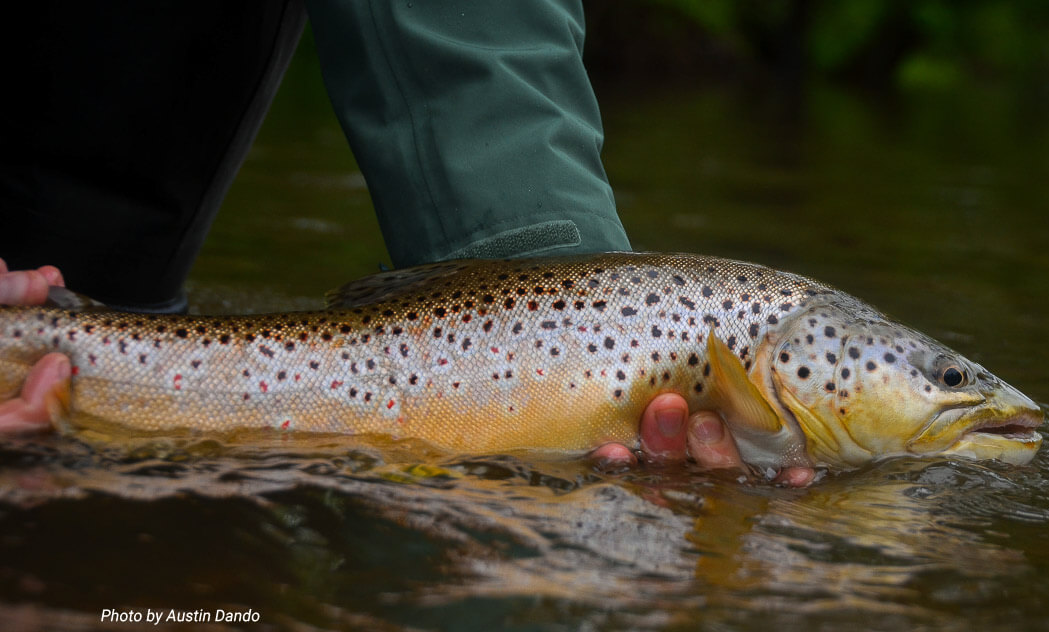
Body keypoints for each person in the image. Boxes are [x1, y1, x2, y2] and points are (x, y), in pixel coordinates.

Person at [0, 2, 813, 486]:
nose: (949, 391)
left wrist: (556, 326)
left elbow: (468, 34)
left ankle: (79, 367)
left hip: (87, 284)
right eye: (949, 377)